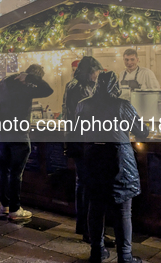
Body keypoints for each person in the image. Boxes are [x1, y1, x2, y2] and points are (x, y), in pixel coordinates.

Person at [76, 71, 149, 263]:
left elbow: (76, 132)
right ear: (115, 86)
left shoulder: (83, 104)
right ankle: (125, 256)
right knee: (123, 210)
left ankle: (97, 251)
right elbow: (142, 131)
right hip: (119, 160)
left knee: (95, 206)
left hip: (92, 158)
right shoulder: (122, 105)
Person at [0, 64, 53, 221]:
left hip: (3, 129)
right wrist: (31, 78)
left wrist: (7, 102)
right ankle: (15, 209)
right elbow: (48, 90)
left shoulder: (9, 80)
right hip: (18, 132)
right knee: (16, 173)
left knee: (5, 170)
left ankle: (5, 205)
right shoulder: (28, 84)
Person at [62, 56, 104, 241]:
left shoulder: (73, 85)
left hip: (75, 139)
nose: (97, 76)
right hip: (84, 140)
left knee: (83, 184)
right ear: (90, 72)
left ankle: (83, 226)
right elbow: (87, 114)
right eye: (96, 72)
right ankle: (89, 230)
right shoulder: (81, 88)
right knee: (89, 185)